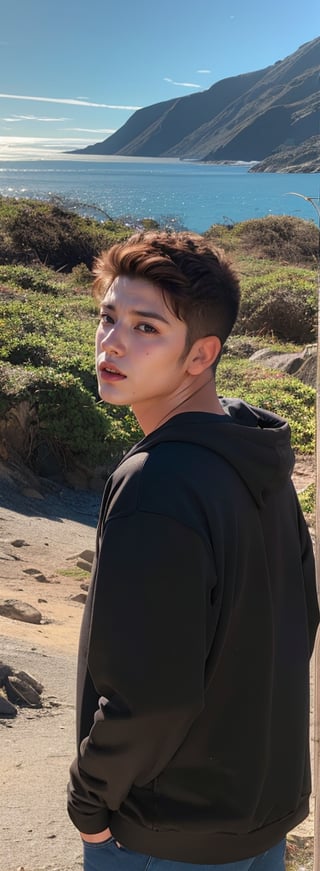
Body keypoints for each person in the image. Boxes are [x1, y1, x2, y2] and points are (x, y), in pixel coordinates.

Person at [67, 231, 319, 871]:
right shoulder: (255, 452)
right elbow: (296, 625)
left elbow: (151, 695)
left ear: (201, 353)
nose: (112, 342)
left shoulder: (158, 484)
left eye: (146, 326)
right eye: (109, 315)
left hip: (165, 837)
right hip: (259, 823)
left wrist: (89, 804)